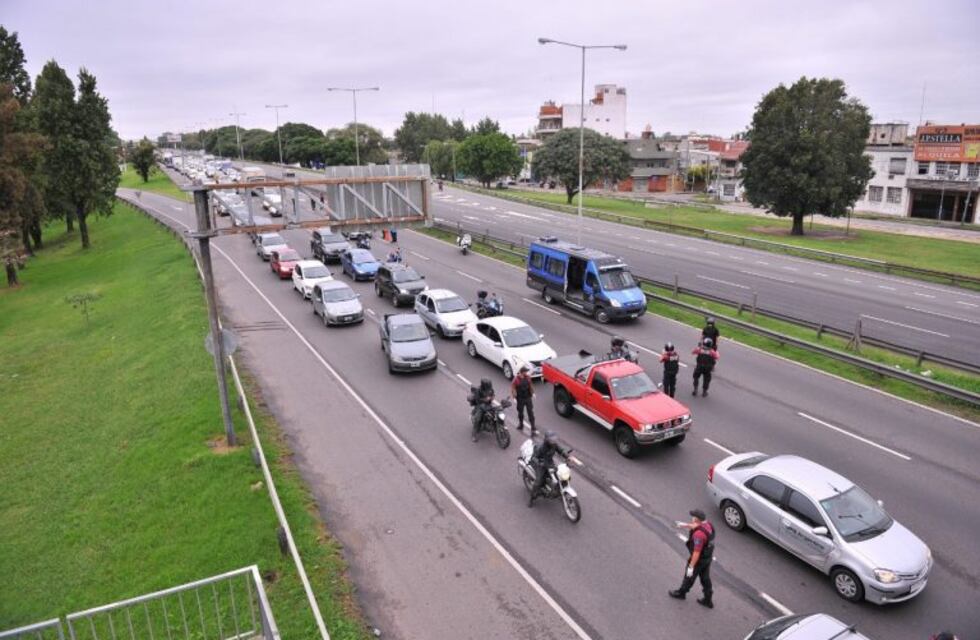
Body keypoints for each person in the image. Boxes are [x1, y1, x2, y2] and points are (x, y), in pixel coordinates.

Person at [669, 509, 715, 608]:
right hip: (707, 558)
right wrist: (684, 525)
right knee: (705, 578)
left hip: (698, 560)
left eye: (693, 517)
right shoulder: (708, 525)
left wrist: (691, 566)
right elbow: (697, 526)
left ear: (696, 519)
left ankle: (682, 593)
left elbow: (696, 553)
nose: (691, 518)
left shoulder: (698, 535)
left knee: (689, 576)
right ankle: (708, 599)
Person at [528, 431, 566, 507]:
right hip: (540, 465)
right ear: (547, 440)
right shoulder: (541, 448)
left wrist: (567, 456)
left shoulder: (554, 445)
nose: (553, 441)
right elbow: (534, 458)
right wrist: (540, 463)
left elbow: (560, 450)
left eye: (554, 439)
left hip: (549, 463)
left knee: (561, 476)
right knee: (538, 482)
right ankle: (532, 498)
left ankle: (561, 491)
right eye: (551, 439)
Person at [510, 365, 536, 434]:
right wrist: (514, 398)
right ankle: (521, 424)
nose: (526, 373)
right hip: (520, 399)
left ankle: (533, 427)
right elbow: (513, 388)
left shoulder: (528, 378)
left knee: (530, 413)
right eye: (525, 371)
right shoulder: (516, 379)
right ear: (522, 372)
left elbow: (530, 386)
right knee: (520, 413)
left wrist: (533, 393)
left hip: (528, 398)